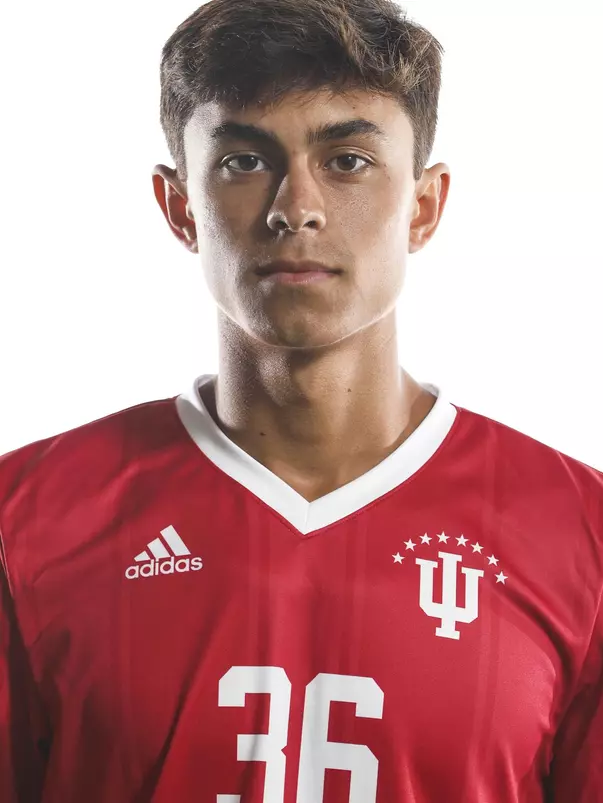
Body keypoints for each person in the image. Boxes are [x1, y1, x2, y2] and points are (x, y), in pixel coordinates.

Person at [1, 0, 601, 800]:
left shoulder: (581, 533)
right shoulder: (26, 518)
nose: (296, 207)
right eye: (243, 161)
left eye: (347, 160)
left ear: (423, 205)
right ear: (180, 207)